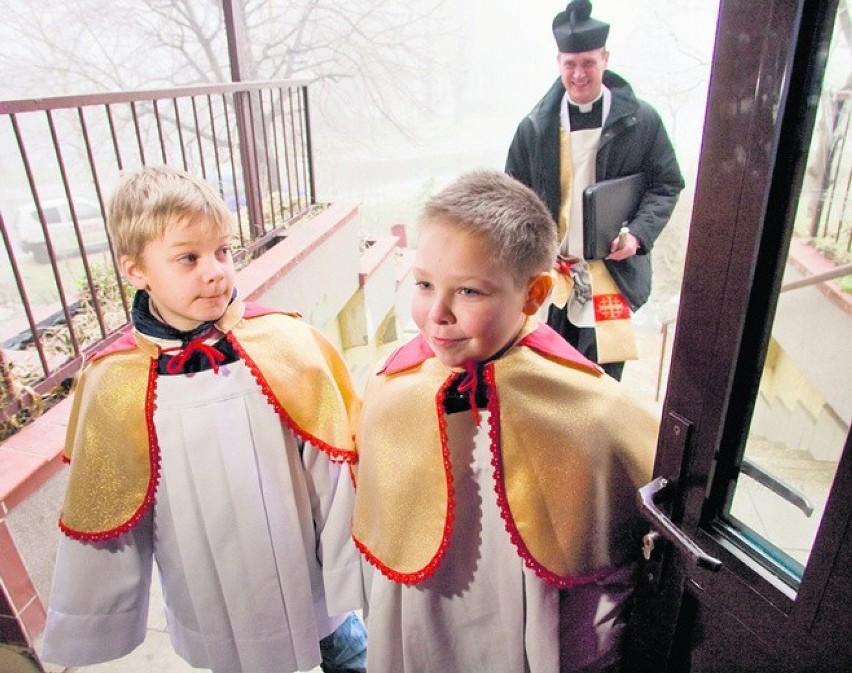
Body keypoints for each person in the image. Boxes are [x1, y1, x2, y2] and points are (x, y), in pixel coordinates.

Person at [40, 165, 367, 673]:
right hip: (212, 593)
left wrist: (356, 569)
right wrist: (94, 616)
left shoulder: (286, 344)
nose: (215, 271)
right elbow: (106, 507)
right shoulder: (115, 381)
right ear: (135, 271)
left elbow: (334, 470)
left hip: (313, 581)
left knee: (352, 656)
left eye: (222, 251)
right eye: (188, 258)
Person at [351, 169, 659, 673]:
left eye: (469, 292)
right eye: (425, 284)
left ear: (534, 295)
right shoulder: (393, 387)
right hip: (422, 608)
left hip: (525, 617)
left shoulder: (587, 408)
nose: (437, 313)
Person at [506, 0, 685, 381]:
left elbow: (666, 183)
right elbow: (511, 199)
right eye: (570, 64)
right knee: (553, 377)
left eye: (588, 62)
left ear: (605, 58)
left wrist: (638, 234)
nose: (579, 73)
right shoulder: (534, 129)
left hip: (611, 276)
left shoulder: (642, 121)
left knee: (603, 384)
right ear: (559, 63)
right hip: (555, 275)